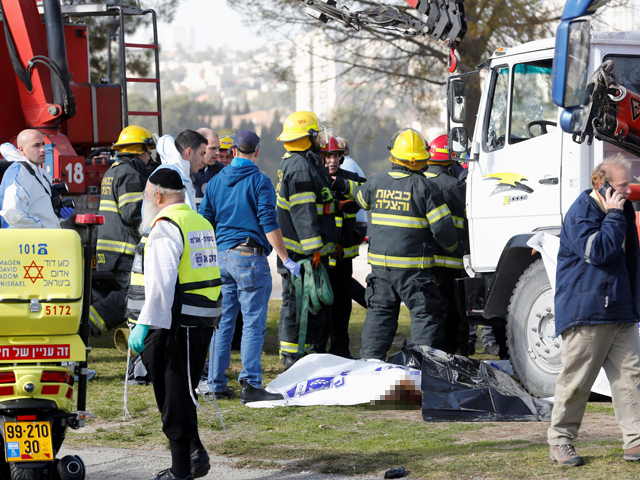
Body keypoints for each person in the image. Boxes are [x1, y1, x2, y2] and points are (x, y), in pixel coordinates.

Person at [128, 168, 222, 480]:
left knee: (173, 397)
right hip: (202, 321)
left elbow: (161, 285)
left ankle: (181, 472)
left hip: (174, 324)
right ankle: (194, 456)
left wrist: (144, 325)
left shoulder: (165, 226)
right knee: (183, 392)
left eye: (145, 196)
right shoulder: (200, 222)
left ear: (157, 196)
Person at [548, 154, 640, 467]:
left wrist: (634, 305)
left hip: (620, 312)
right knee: (576, 383)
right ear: (603, 187)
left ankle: (636, 444)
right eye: (623, 185)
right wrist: (614, 216)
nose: (629, 190)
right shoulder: (581, 212)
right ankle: (560, 442)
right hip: (586, 312)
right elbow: (599, 252)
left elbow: (630, 264)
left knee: (631, 379)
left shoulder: (621, 209)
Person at [199, 130, 298, 402]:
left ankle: (216, 384)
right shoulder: (260, 181)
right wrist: (286, 258)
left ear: (232, 153)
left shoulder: (217, 181)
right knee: (253, 324)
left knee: (223, 323)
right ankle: (251, 385)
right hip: (249, 257)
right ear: (256, 152)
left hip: (221, 258)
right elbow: (268, 221)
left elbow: (204, 218)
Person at [353, 128, 459, 360]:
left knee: (380, 315)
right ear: (420, 159)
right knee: (424, 316)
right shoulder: (425, 188)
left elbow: (359, 200)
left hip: (380, 267)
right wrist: (452, 249)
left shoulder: (375, 182)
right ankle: (423, 366)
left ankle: (370, 364)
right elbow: (442, 229)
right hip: (414, 271)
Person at [275, 111, 340, 369]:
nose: (319, 139)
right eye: (316, 134)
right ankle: (292, 356)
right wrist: (314, 250)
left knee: (302, 304)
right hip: (302, 253)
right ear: (307, 138)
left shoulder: (298, 162)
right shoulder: (301, 166)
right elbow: (304, 214)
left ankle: (302, 352)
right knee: (297, 304)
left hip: (301, 251)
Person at [89, 125, 154, 337]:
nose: (149, 157)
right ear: (140, 150)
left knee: (124, 295)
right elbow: (133, 213)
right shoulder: (131, 174)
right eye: (148, 152)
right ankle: (88, 324)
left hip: (111, 249)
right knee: (132, 296)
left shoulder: (113, 171)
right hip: (124, 250)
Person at [318, 135, 365, 358]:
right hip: (322, 255)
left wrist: (342, 186)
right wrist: (340, 204)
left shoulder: (350, 178)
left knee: (343, 304)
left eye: (335, 155)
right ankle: (319, 348)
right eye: (327, 155)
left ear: (341, 157)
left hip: (344, 254)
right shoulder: (315, 177)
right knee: (322, 303)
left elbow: (364, 196)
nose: (331, 160)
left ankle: (341, 349)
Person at [424, 134, 469, 355]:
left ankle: (435, 351)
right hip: (451, 258)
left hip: (425, 259)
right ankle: (456, 352)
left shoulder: (418, 182)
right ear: (450, 163)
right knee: (454, 309)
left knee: (429, 309)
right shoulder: (454, 186)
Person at [0, 129, 73, 228]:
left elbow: (39, 212)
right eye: (36, 146)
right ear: (22, 150)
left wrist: (59, 216)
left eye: (43, 144)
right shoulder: (18, 174)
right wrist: (39, 231)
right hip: (28, 242)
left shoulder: (39, 172)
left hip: (41, 240)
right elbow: (13, 214)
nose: (43, 149)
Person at [155, 130, 208, 210]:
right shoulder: (175, 177)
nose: (204, 160)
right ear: (189, 152)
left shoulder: (175, 172)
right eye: (202, 154)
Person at [193, 128, 223, 203]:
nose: (218, 152)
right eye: (213, 148)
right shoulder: (183, 171)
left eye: (218, 148)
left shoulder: (220, 170)